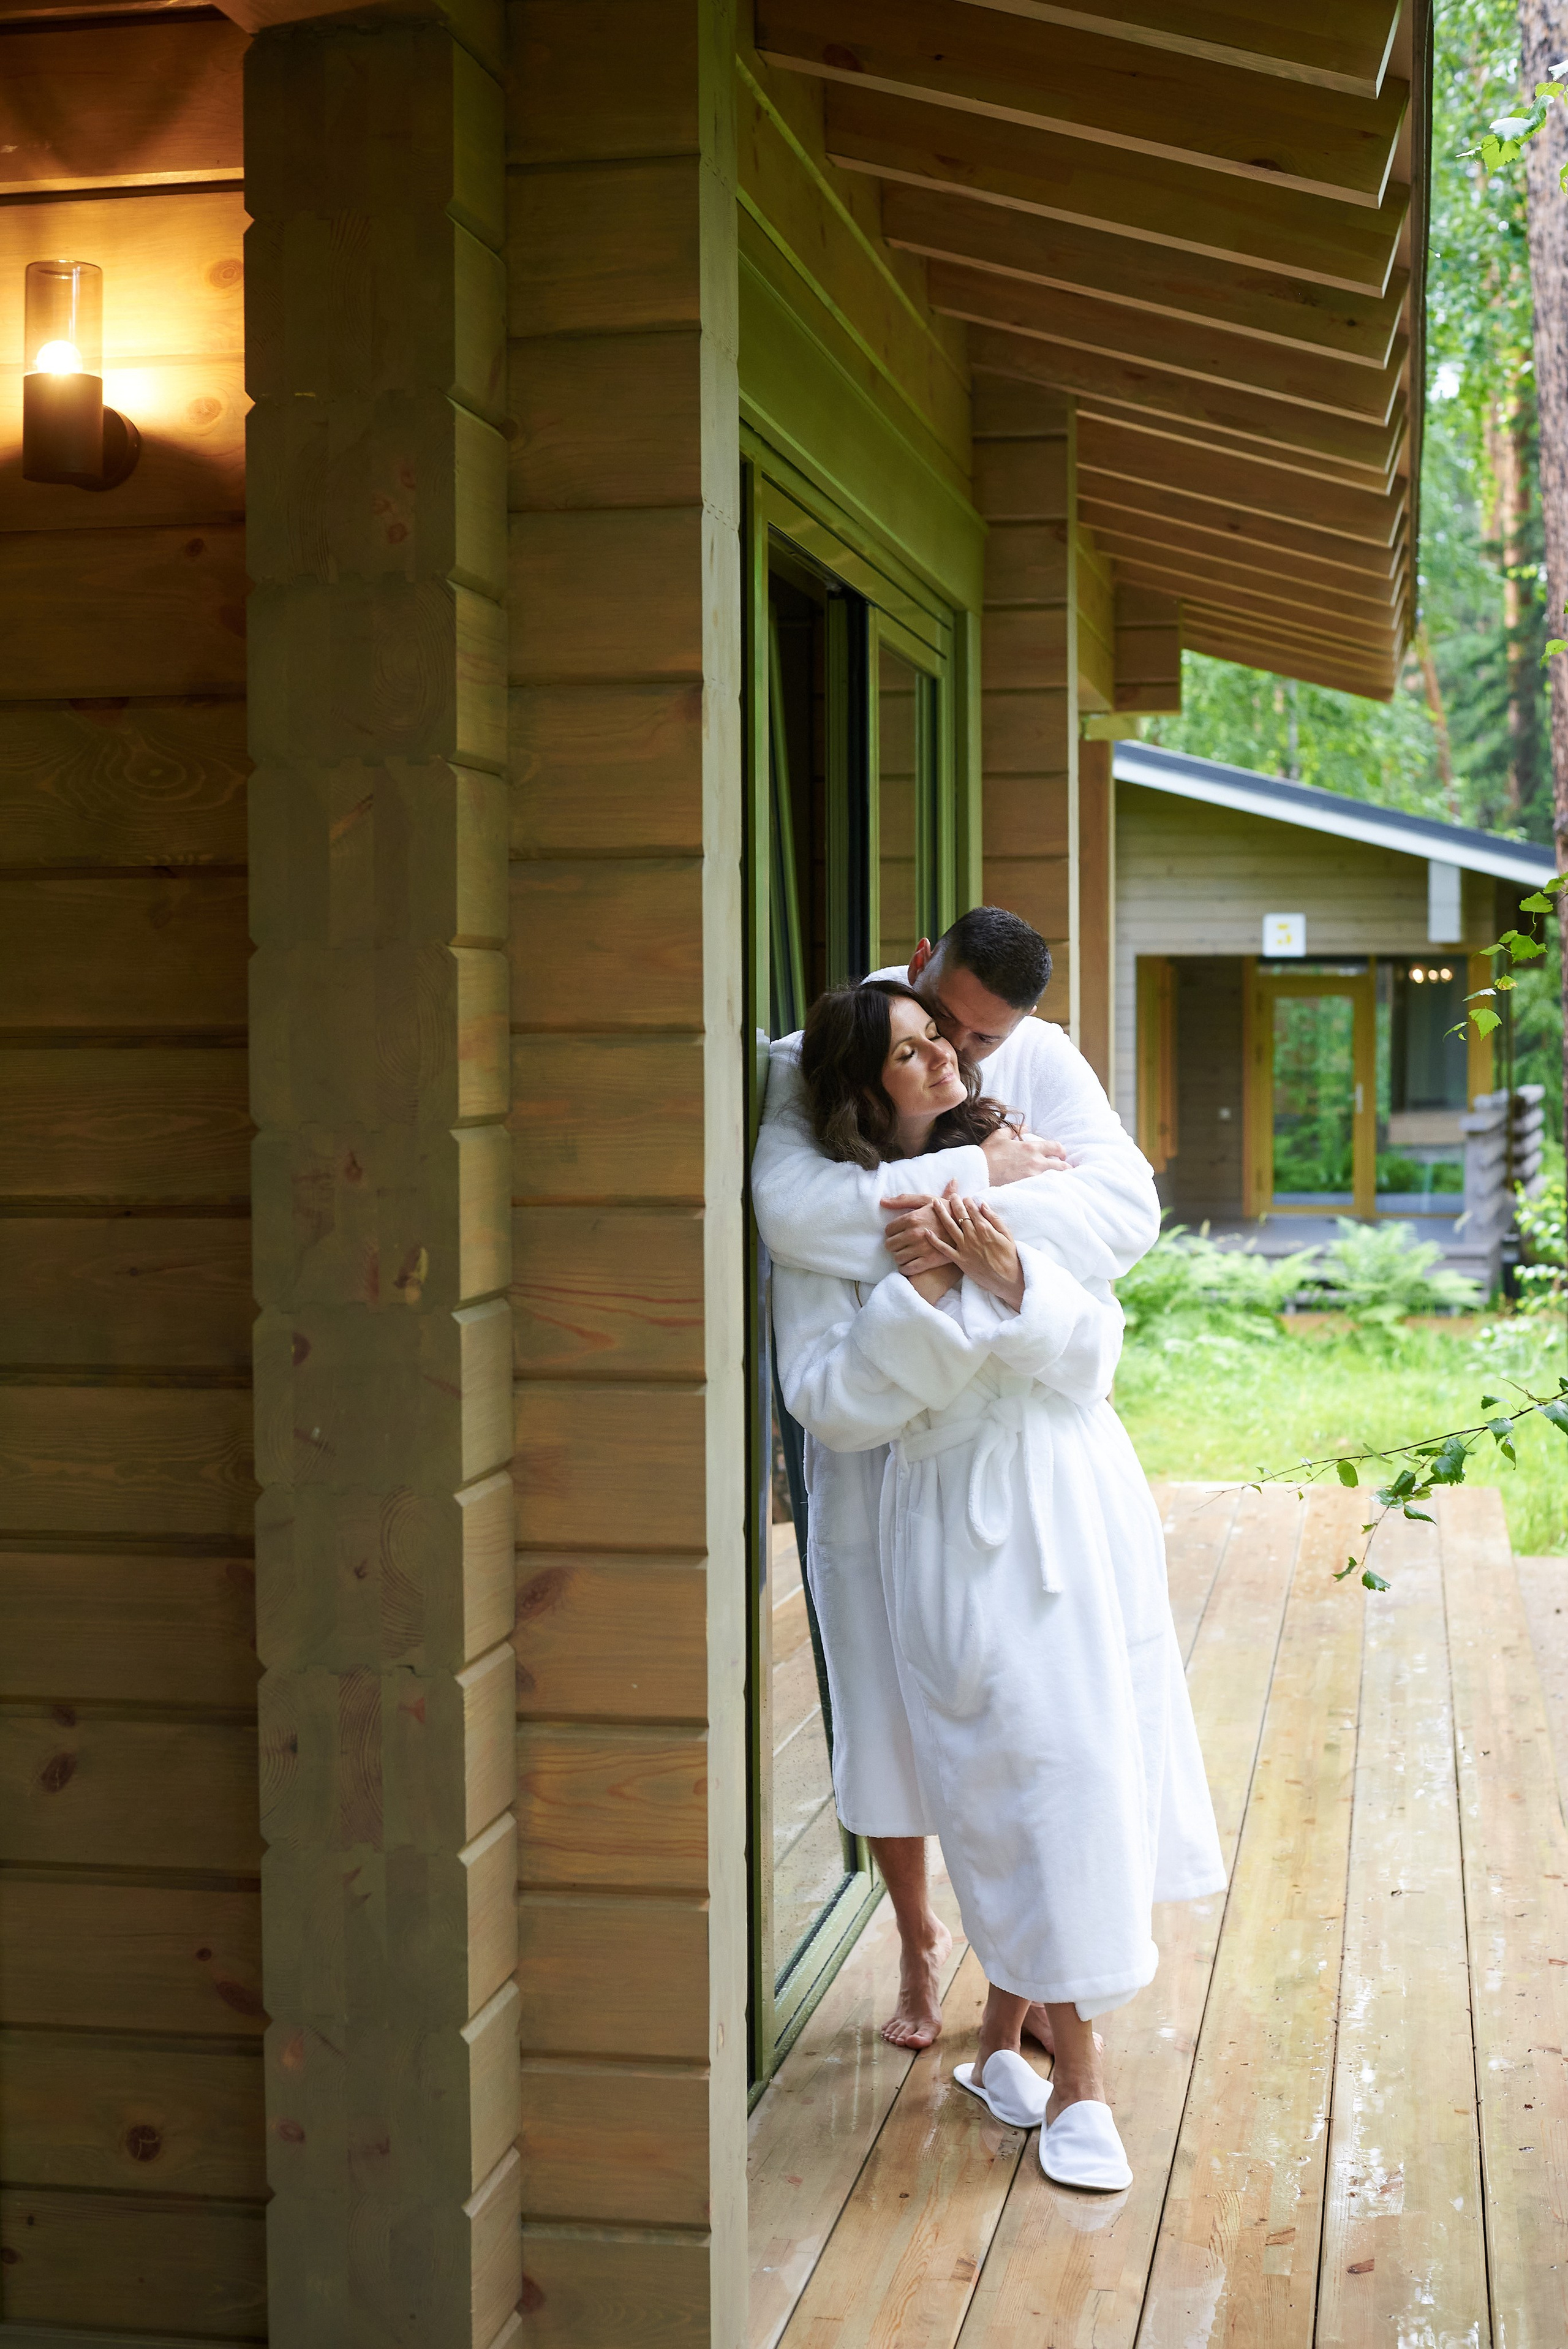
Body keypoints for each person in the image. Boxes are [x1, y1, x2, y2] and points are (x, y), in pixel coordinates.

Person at [767, 978, 1223, 2189]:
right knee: (1031, 1777)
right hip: (957, 1516)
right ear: (861, 1094)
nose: (943, 1066)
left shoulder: (1019, 1163)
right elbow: (832, 1407)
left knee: (1089, 1760)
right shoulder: (834, 1238)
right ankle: (1081, 2079)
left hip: (1078, 1492)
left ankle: (994, 2049)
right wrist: (919, 1292)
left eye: (941, 1044)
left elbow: (1092, 1354)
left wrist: (1008, 1271)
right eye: (909, 1056)